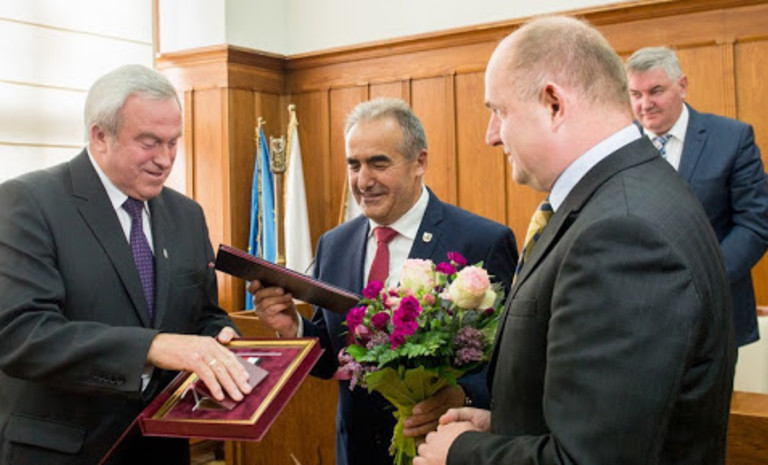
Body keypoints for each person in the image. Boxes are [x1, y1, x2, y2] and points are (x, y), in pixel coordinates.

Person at [416, 16, 735, 465]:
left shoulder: (623, 234)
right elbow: (607, 413)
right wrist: (504, 427)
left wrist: (462, 453)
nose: (491, 135)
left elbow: (591, 458)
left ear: (554, 104)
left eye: (499, 111)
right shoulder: (624, 195)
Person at [0, 65, 253, 465]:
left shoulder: (187, 215)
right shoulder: (27, 203)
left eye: (173, 142)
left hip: (161, 448)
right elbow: (22, 335)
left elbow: (203, 315)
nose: (165, 159)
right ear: (100, 136)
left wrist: (221, 339)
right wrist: (153, 347)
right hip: (64, 452)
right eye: (149, 143)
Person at [248, 98, 518, 465]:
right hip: (356, 452)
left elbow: (512, 359)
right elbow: (334, 357)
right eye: (353, 164)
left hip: (442, 448)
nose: (363, 181)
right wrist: (293, 327)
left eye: (378, 163)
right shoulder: (334, 245)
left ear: (419, 162)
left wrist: (463, 395)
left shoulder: (481, 241)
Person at [626, 46, 768, 347]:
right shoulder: (619, 146)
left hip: (715, 311)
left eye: (656, 91)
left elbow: (755, 224)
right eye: (636, 94)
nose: (645, 104)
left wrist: (702, 279)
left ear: (683, 86)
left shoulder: (732, 138)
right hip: (640, 317)